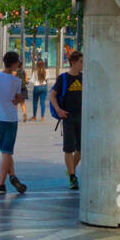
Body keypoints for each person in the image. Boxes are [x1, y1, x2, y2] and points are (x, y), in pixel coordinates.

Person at [0, 50, 27, 194]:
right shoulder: (16, 81)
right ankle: (1, 184)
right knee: (7, 151)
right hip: (10, 118)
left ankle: (13, 176)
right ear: (14, 63)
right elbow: (17, 100)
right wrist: (16, 100)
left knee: (5, 151)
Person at [50, 50, 83, 189]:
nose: (83, 64)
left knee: (82, 149)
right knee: (68, 148)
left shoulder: (84, 78)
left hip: (82, 117)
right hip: (68, 117)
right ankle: (72, 176)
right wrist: (58, 109)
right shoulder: (63, 78)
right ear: (73, 62)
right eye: (81, 61)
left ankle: (71, 169)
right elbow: (52, 95)